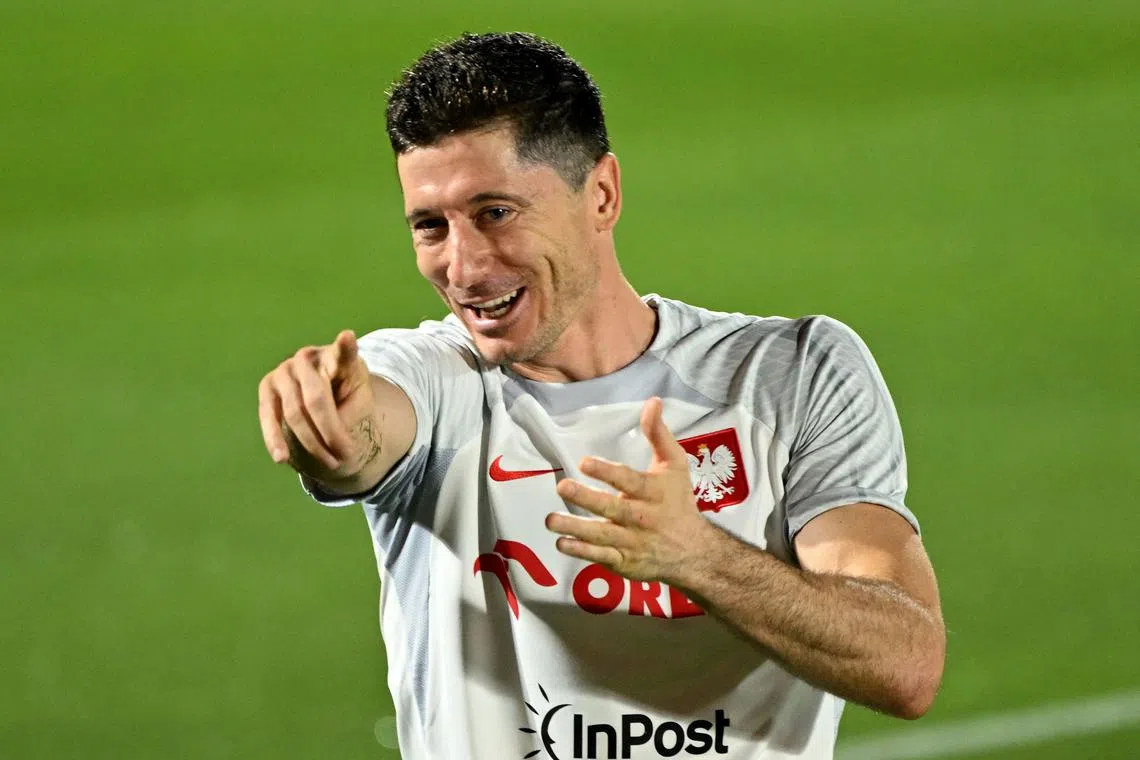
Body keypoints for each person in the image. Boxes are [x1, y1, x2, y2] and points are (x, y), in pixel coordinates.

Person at [257, 32, 945, 760]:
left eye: (495, 213)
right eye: (431, 226)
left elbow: (905, 665)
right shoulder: (436, 378)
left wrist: (700, 558)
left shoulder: (787, 376)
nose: (462, 266)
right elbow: (368, 433)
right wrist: (326, 426)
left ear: (603, 194)